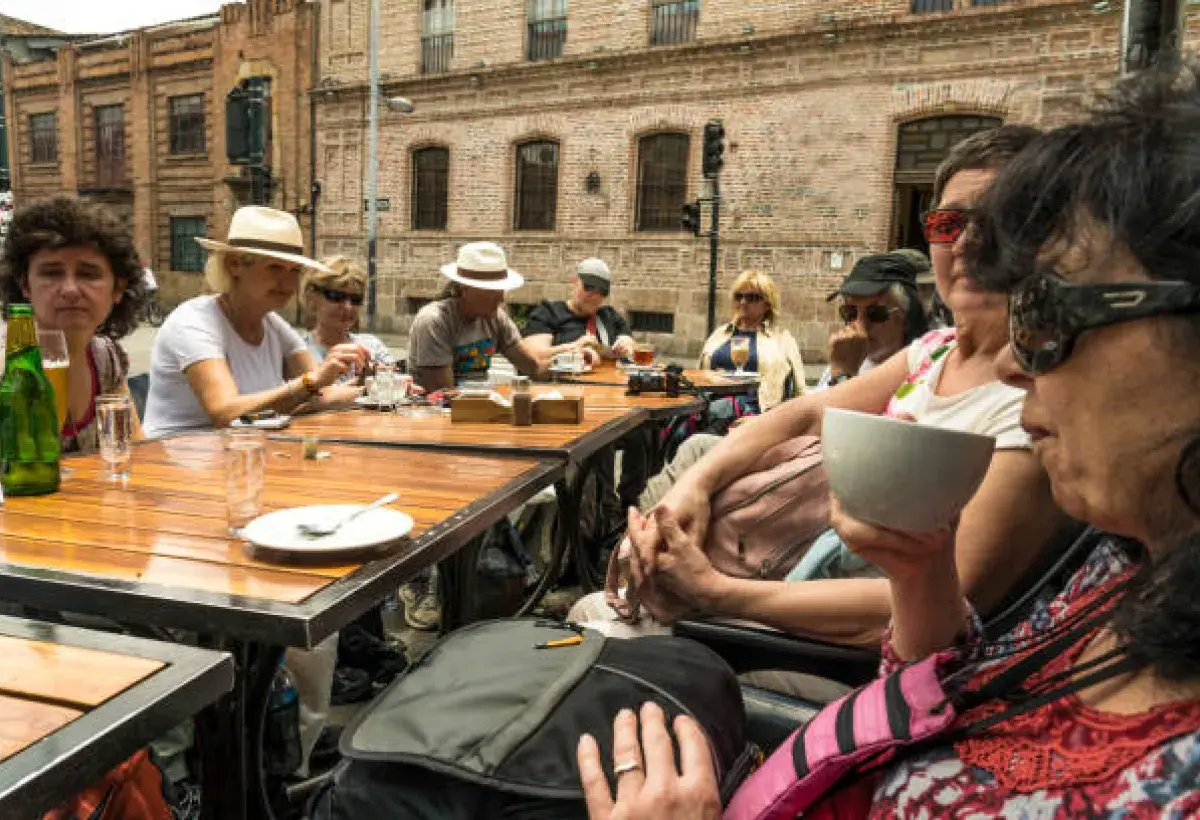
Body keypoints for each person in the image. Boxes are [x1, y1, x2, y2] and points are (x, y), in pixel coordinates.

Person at [579, 60, 1200, 818]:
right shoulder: (1129, 562)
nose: (1012, 360)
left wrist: (718, 594)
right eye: (944, 224)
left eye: (1050, 314)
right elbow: (952, 669)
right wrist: (920, 576)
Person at [575, 125, 1065, 649]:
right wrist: (690, 491)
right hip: (778, 571)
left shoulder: (1036, 402)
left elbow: (949, 600)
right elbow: (805, 414)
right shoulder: (936, 351)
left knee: (589, 623)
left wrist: (716, 592)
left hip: (809, 635)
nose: (966, 241)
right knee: (669, 497)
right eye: (948, 223)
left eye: (998, 222)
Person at [142, 206, 364, 437]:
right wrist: (310, 383)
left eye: (295, 270)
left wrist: (371, 389)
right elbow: (225, 413)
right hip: (173, 462)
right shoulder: (193, 322)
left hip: (241, 456)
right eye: (275, 267)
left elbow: (323, 394)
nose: (288, 281)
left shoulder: (273, 325)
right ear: (234, 265)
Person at [0, 196, 147, 452]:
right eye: (52, 273)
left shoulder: (106, 359)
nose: (70, 290)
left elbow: (135, 452)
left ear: (118, 288)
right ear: (25, 285)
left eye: (88, 274)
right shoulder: (8, 366)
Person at [408, 242, 546, 392]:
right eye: (491, 290)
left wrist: (565, 363)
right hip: (441, 411)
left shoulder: (496, 318)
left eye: (502, 289)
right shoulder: (434, 321)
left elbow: (532, 367)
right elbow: (443, 394)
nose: (501, 298)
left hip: (480, 405)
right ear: (465, 289)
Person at [814, 252, 928, 391]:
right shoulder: (848, 360)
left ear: (905, 319)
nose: (860, 324)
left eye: (875, 314)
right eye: (850, 312)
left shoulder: (922, 373)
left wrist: (843, 375)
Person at [698, 270, 804, 413]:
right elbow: (698, 376)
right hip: (712, 408)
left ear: (768, 304)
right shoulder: (720, 334)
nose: (743, 302)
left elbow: (799, 388)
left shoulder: (782, 338)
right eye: (738, 296)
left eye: (752, 297)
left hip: (757, 413)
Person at [523, 258, 635, 365]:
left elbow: (628, 341)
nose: (595, 296)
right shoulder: (549, 312)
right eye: (589, 287)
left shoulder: (609, 316)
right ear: (575, 282)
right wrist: (574, 348)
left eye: (603, 291)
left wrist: (626, 343)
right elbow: (533, 355)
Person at [302, 255, 394, 371]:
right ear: (312, 297)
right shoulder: (297, 351)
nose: (348, 307)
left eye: (356, 299)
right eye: (337, 296)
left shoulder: (372, 347)